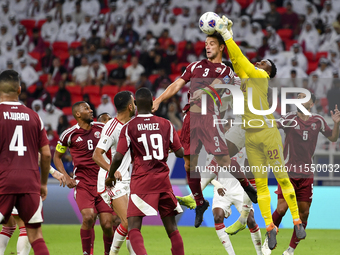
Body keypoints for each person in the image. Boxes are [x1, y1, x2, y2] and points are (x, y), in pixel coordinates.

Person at [215, 16, 306, 249]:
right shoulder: (248, 78)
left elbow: (242, 61)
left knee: (282, 178)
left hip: (267, 133)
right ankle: (270, 227)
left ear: (269, 71)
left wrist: (227, 36)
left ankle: (297, 221)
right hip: (251, 136)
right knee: (261, 185)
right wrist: (229, 36)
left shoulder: (261, 77)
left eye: (265, 62)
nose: (260, 63)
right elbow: (236, 61)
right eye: (261, 61)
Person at [152, 33, 256, 228]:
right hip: (191, 117)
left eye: (212, 44)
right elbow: (177, 84)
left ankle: (246, 186)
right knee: (189, 165)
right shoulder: (195, 66)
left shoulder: (227, 70)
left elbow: (222, 84)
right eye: (206, 44)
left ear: (221, 47)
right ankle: (200, 203)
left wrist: (205, 91)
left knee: (224, 159)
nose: (208, 47)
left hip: (210, 117)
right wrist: (158, 100)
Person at [105, 88, 185, 255]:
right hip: (163, 181)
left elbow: (118, 157)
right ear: (152, 102)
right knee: (172, 228)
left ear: (135, 104)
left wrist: (111, 175)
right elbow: (179, 152)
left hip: (142, 181)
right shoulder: (166, 124)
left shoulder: (129, 127)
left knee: (133, 226)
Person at [262, 93, 340, 255]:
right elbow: (271, 125)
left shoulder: (318, 120)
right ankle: (268, 238)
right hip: (288, 172)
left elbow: (333, 138)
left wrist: (336, 124)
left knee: (304, 212)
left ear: (312, 103)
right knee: (282, 209)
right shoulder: (290, 118)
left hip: (306, 174)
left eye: (304, 98)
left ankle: (290, 250)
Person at [53, 101, 115, 255]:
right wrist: (66, 177)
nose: (91, 110)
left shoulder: (102, 128)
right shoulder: (69, 134)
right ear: (78, 114)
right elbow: (57, 157)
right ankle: (87, 253)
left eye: (90, 107)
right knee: (88, 217)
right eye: (86, 108)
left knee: (108, 224)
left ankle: (109, 253)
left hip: (103, 183)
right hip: (83, 184)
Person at [0, 70, 50, 254]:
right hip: (30, 182)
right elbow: (45, 155)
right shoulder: (34, 116)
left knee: (10, 227)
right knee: (35, 234)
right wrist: (43, 183)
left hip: (3, 181)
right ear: (19, 89)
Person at [93, 91, 136, 255]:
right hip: (111, 179)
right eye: (134, 102)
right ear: (130, 106)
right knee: (128, 221)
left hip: (127, 179)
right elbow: (96, 155)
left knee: (133, 224)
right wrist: (113, 170)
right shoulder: (111, 127)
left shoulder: (131, 125)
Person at [0, 157, 66, 255]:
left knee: (8, 226)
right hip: (23, 181)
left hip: (4, 182)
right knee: (26, 227)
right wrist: (53, 172)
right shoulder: (28, 140)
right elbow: (42, 156)